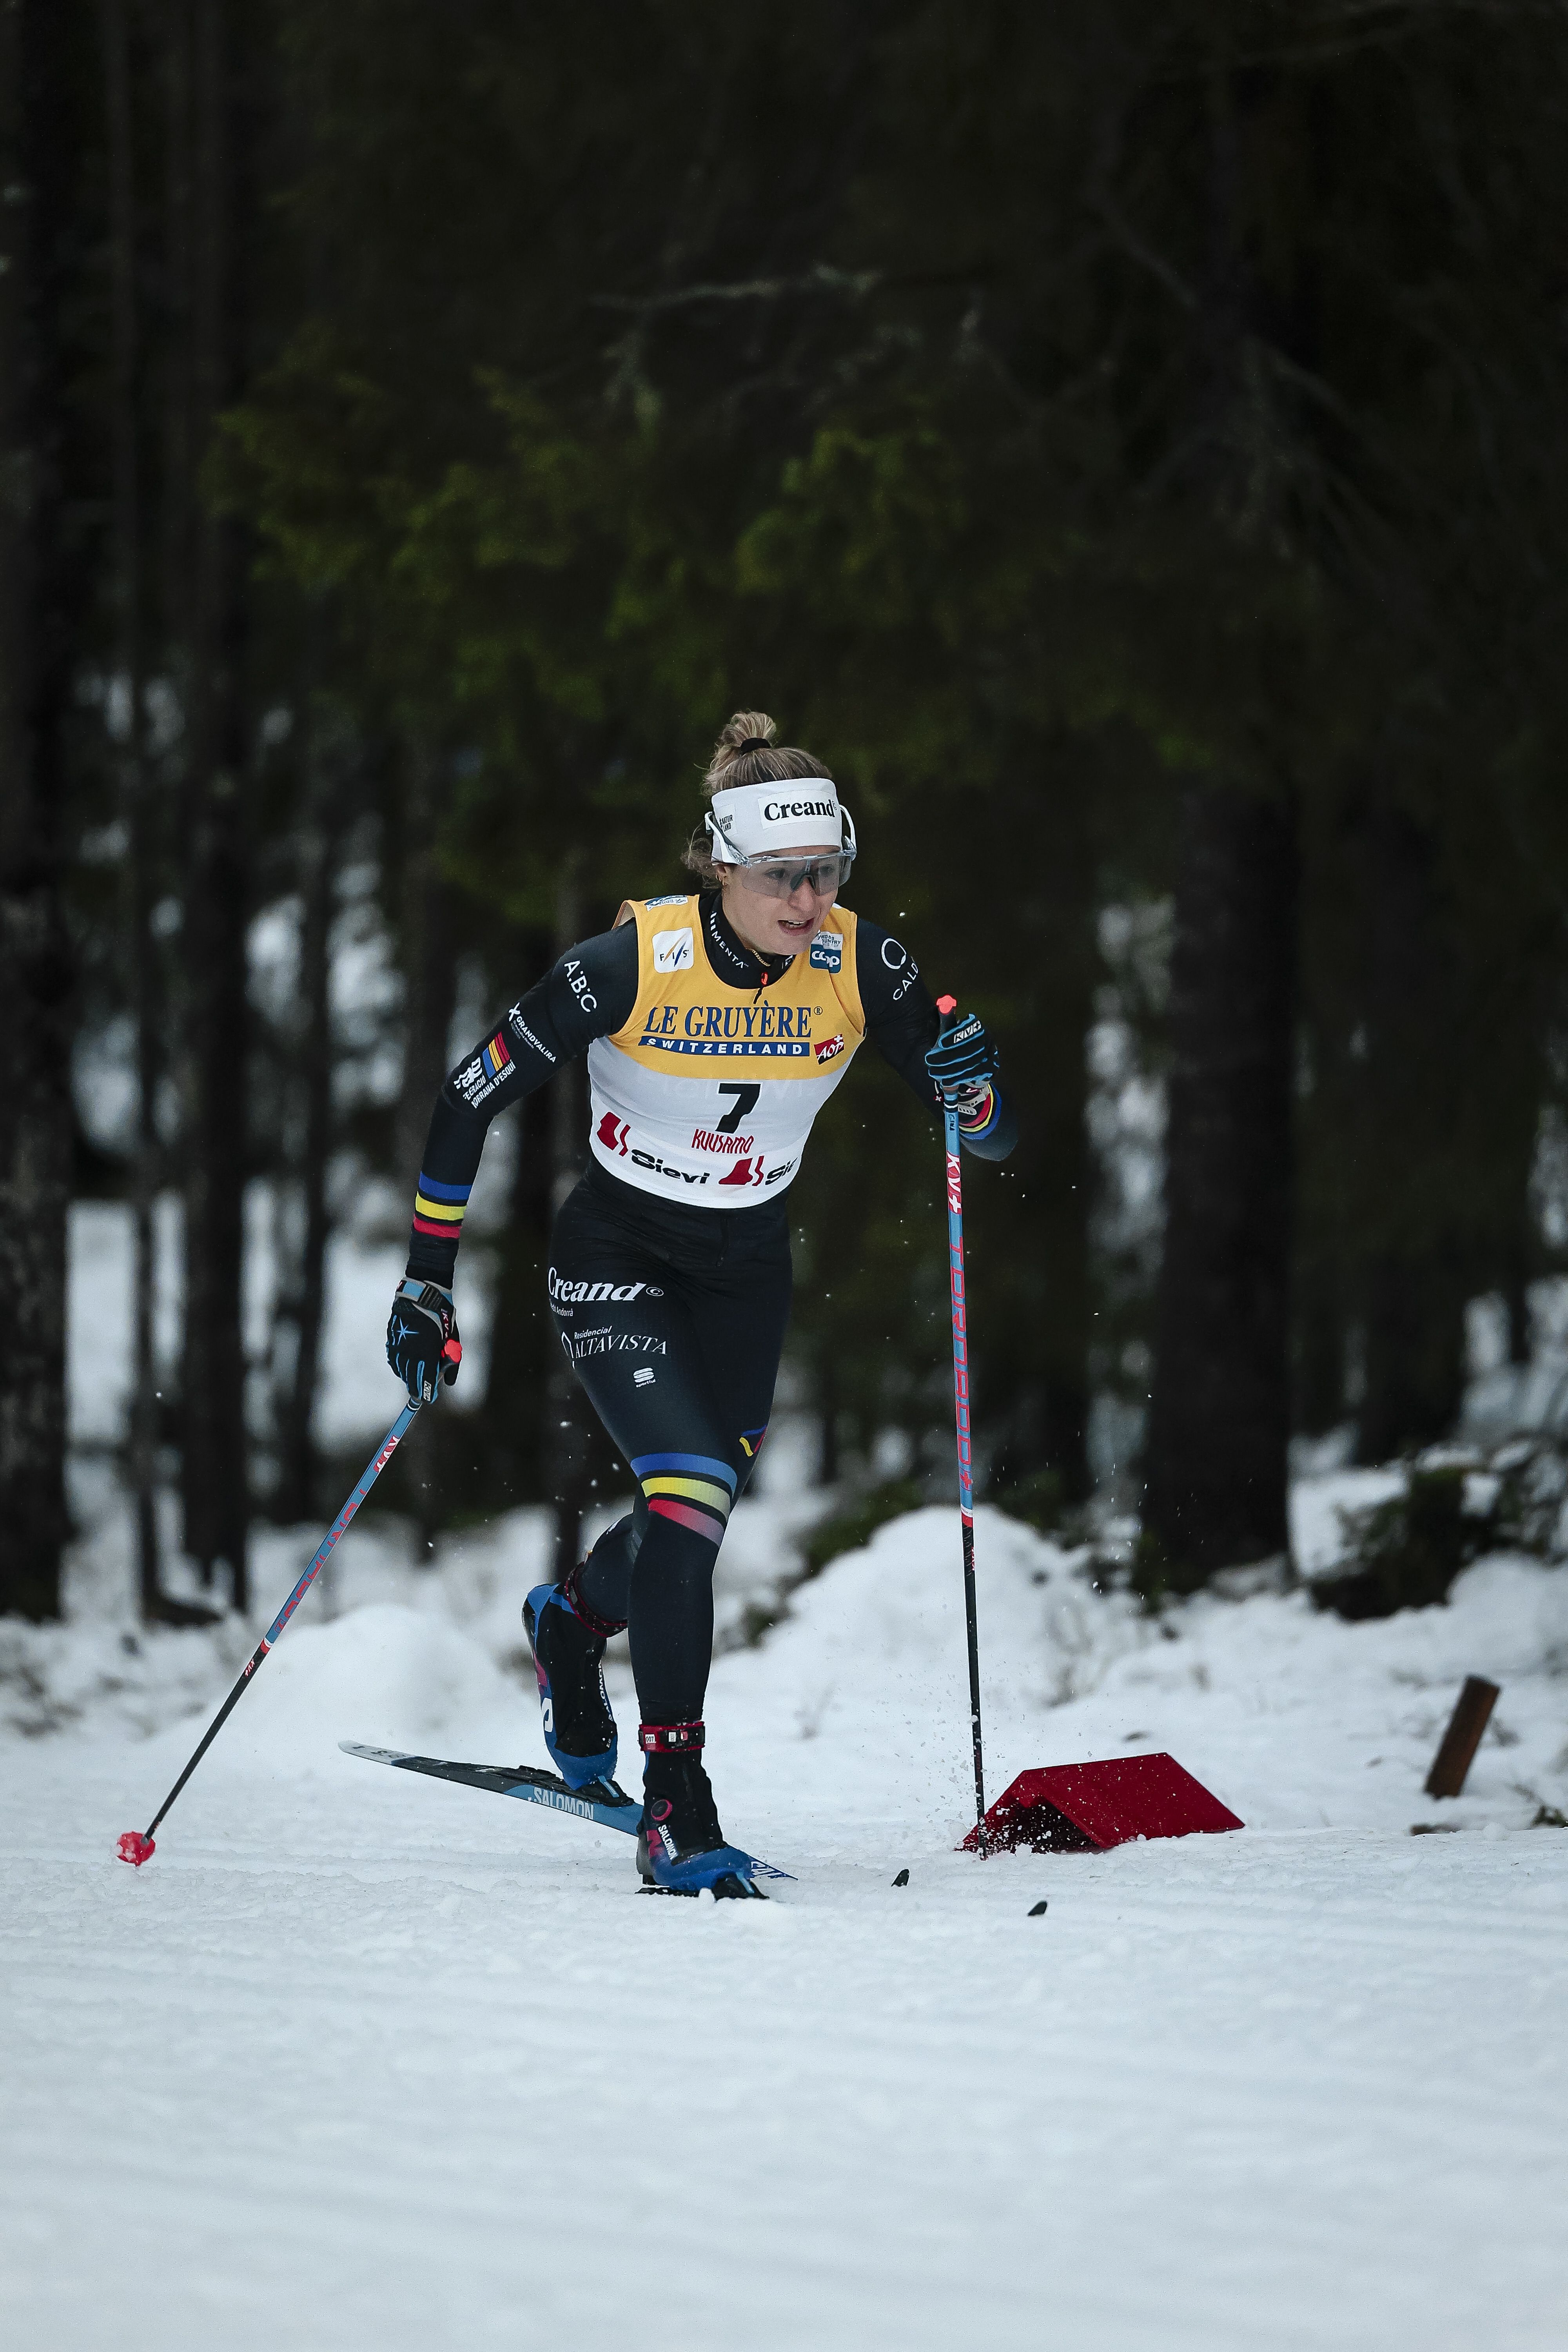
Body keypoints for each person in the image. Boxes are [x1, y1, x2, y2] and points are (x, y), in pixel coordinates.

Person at [386, 712, 1016, 1896]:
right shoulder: (630, 962)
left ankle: (573, 1622)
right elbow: (470, 1098)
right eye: (782, 876)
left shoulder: (860, 965)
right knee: (688, 1500)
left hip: (745, 1270)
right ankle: (675, 1804)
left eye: (828, 871)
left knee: (694, 1513)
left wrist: (972, 1092)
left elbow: (988, 1137)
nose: (808, 900)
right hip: (616, 1252)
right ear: (720, 864)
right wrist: (428, 1276)